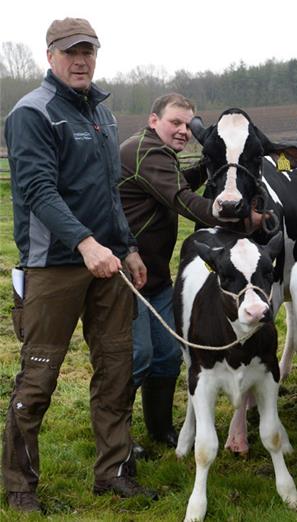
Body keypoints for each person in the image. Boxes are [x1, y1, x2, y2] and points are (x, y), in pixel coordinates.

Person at [2, 17, 155, 513]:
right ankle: (19, 483)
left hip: (108, 264)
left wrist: (126, 246)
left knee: (116, 369)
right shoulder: (33, 113)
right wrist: (86, 244)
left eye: (88, 50)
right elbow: (37, 191)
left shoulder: (102, 115)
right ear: (51, 56)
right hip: (54, 266)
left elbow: (109, 193)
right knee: (39, 377)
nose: (81, 59)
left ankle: (111, 472)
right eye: (70, 51)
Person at [118, 93, 262, 453]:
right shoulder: (144, 150)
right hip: (124, 274)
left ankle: (161, 429)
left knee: (168, 354)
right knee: (137, 356)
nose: (183, 131)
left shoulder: (159, 154)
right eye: (175, 123)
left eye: (187, 124)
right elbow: (181, 197)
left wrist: (217, 168)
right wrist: (233, 213)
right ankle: (116, 439)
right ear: (154, 121)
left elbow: (179, 179)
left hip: (153, 276)